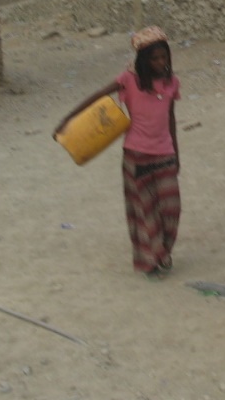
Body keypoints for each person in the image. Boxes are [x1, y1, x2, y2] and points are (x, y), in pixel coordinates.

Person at [55, 26, 181, 280]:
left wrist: (176, 152)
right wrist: (67, 121)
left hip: (164, 154)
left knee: (171, 209)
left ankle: (163, 252)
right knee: (144, 212)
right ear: (144, 60)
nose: (160, 62)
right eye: (154, 58)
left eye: (163, 57)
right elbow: (96, 97)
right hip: (136, 155)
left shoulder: (172, 82)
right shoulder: (128, 80)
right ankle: (152, 261)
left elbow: (170, 117)